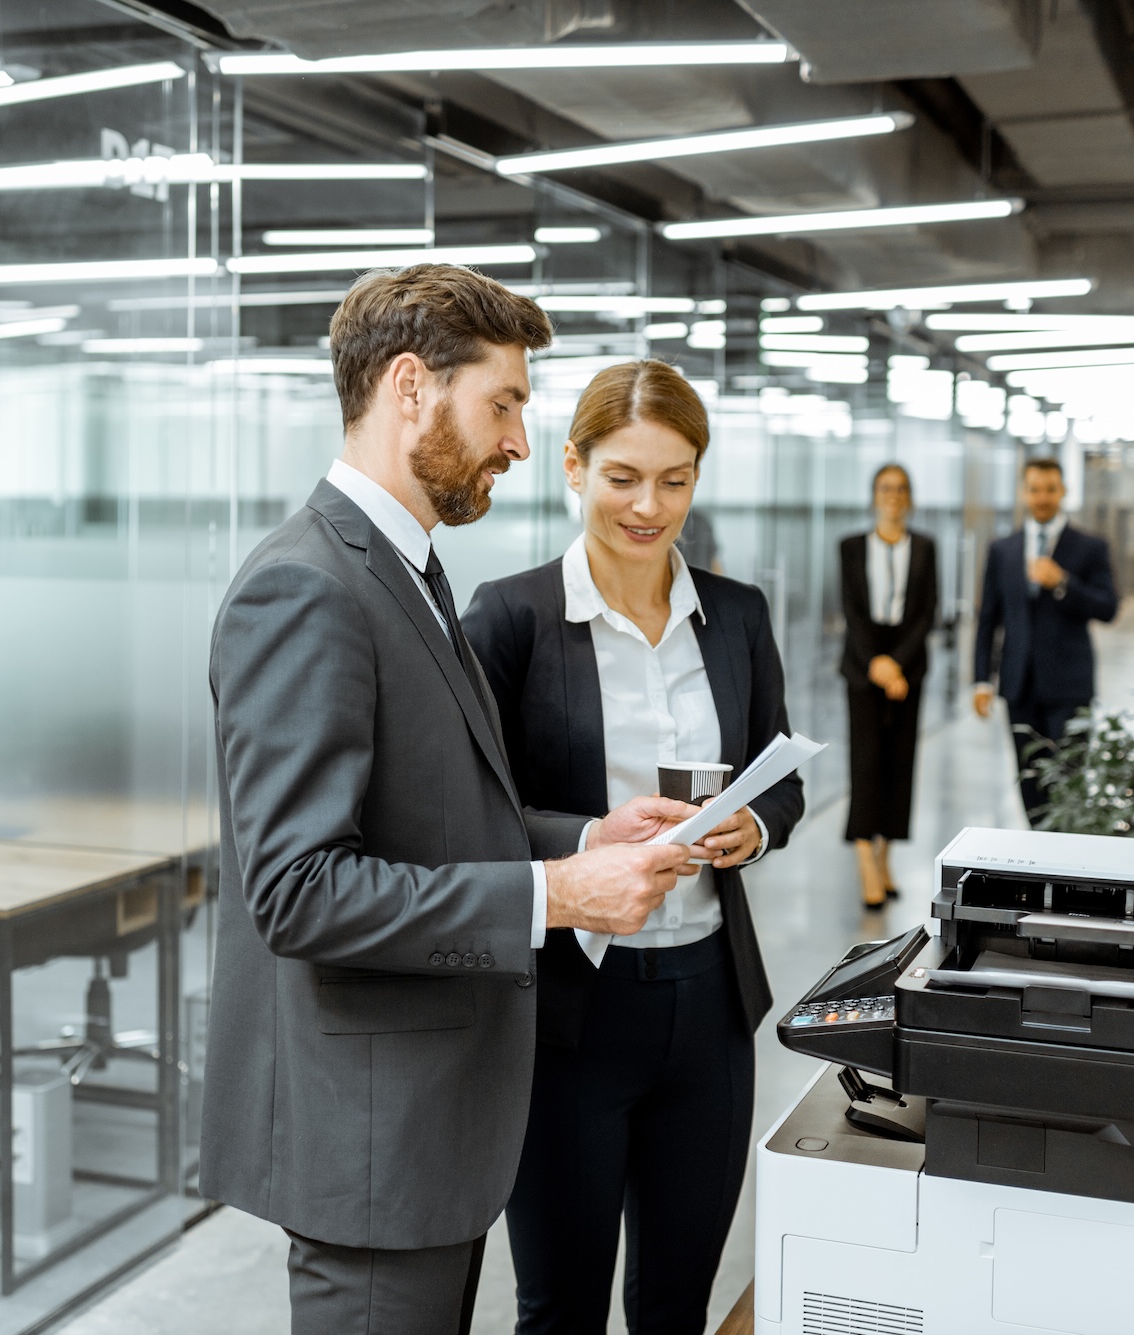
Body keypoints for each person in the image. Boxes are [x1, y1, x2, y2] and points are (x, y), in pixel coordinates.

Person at [201, 266, 705, 1335]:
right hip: (373, 1147)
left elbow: (432, 814)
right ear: (409, 388)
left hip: (429, 1131)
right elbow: (298, 892)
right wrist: (556, 895)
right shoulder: (306, 586)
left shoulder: (408, 570)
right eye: (505, 404)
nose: (521, 443)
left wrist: (585, 839)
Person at [464, 360, 805, 1335]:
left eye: (673, 480)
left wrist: (757, 823)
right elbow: (467, 814)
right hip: (571, 1012)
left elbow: (780, 776)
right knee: (560, 1307)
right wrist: (584, 841)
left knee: (674, 1305)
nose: (647, 506)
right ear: (571, 468)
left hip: (708, 1008)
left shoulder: (735, 615)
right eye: (621, 477)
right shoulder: (511, 618)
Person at [973, 456, 1120, 819]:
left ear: (1063, 492)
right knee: (1030, 782)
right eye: (1035, 489)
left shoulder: (1089, 547)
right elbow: (988, 618)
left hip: (1069, 687)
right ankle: (1037, 864)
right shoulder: (1002, 550)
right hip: (1020, 687)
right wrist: (981, 680)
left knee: (1069, 782)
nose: (1042, 498)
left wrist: (1063, 584)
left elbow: (1108, 607)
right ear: (1024, 493)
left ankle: (1065, 864)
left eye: (1050, 490)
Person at [839, 463, 938, 908]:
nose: (893, 496)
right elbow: (851, 610)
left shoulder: (926, 547)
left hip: (908, 661)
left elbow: (926, 613)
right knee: (866, 760)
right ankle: (864, 860)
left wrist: (897, 664)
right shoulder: (852, 547)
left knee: (901, 762)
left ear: (910, 497)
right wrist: (877, 663)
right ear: (874, 495)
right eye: (885, 488)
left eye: (901, 488)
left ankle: (886, 856)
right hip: (863, 662)